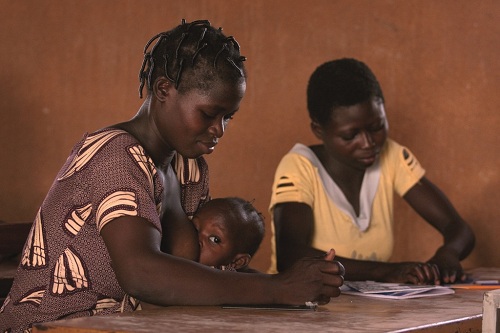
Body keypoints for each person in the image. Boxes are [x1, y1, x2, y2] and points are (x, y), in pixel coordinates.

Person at [0, 20, 344, 332]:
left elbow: (195, 272)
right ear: (164, 89)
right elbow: (141, 273)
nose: (218, 130)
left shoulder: (188, 167)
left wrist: (297, 281)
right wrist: (278, 289)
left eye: (228, 118)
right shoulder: (115, 155)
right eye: (210, 114)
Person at [268, 58, 475, 285]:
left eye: (377, 127)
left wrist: (447, 255)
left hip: (368, 311)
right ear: (319, 130)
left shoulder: (392, 156)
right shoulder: (300, 167)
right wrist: (386, 272)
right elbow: (289, 256)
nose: (368, 143)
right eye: (350, 135)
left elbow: (459, 229)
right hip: (303, 311)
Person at [192, 197, 265, 272]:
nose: (198, 239)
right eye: (194, 227)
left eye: (215, 239)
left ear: (237, 262)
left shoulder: (220, 280)